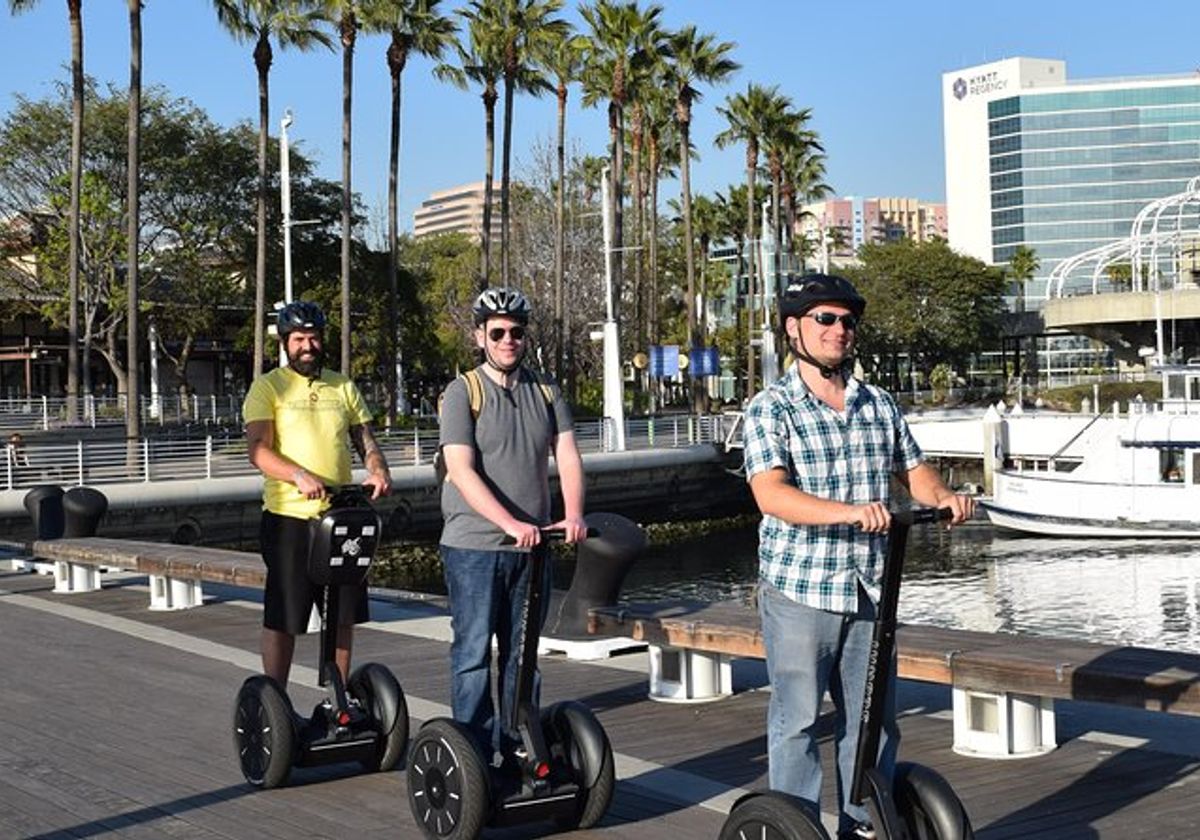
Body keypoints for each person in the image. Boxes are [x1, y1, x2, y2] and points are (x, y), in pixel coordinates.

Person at [742, 273, 975, 840]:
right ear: (794, 328)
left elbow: (913, 469)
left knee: (874, 723)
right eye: (826, 318)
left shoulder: (879, 405)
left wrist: (942, 497)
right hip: (801, 589)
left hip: (870, 587)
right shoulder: (771, 410)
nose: (839, 329)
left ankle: (863, 828)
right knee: (797, 722)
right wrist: (848, 512)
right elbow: (770, 493)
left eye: (847, 321)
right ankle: (794, 829)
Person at [438, 287, 587, 763]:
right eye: (497, 332)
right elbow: (460, 470)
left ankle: (519, 739)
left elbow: (566, 453)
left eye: (516, 332)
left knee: (523, 656)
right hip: (474, 547)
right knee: (474, 655)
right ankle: (476, 757)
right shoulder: (463, 392)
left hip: (533, 545)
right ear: (480, 336)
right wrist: (508, 521)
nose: (508, 340)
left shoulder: (545, 391)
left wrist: (575, 513)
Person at [243, 301, 392, 688]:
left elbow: (364, 439)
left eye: (313, 338)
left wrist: (377, 467)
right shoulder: (268, 387)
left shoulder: (342, 385)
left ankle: (337, 698)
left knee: (342, 613)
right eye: (298, 339)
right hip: (289, 518)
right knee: (285, 614)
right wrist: (297, 475)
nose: (307, 346)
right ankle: (274, 698)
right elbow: (258, 450)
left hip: (341, 515)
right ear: (285, 342)